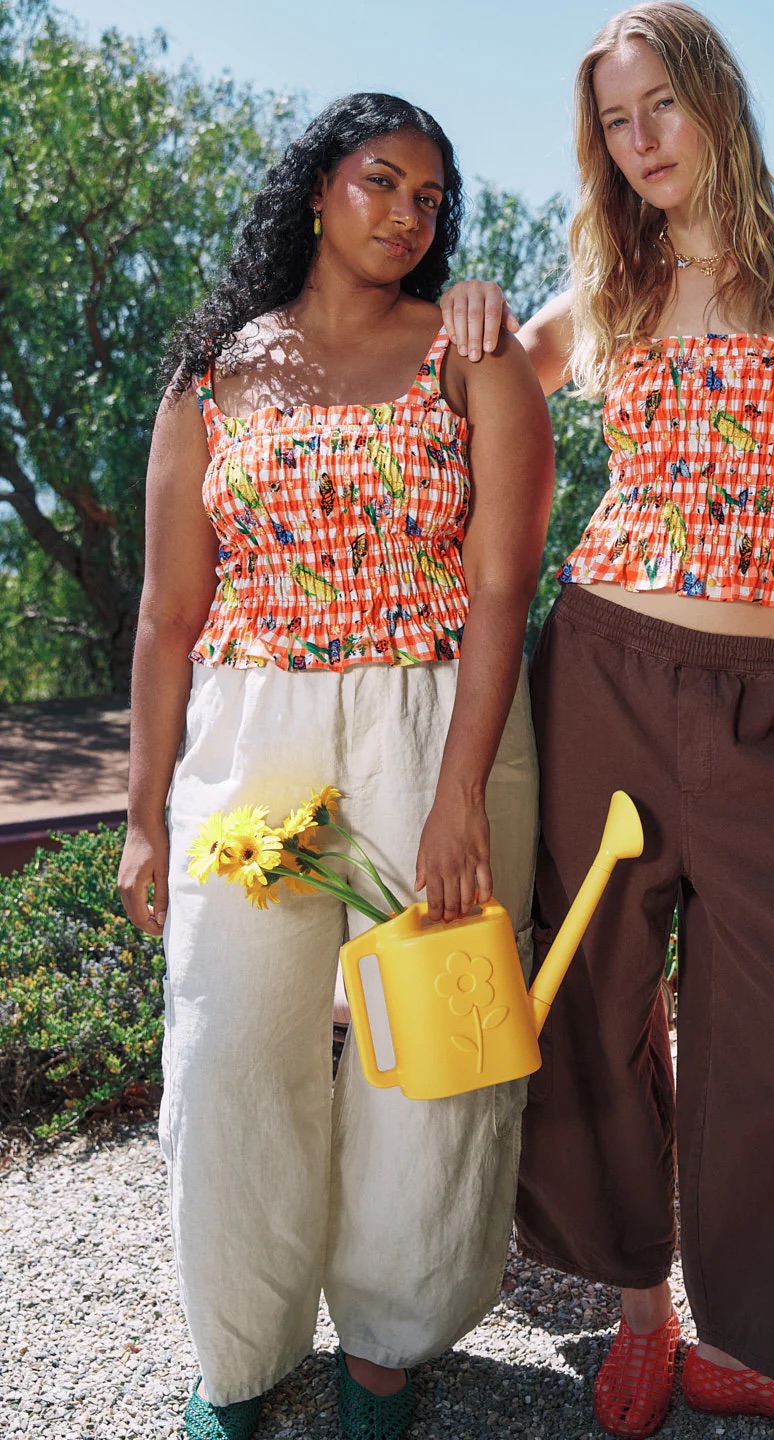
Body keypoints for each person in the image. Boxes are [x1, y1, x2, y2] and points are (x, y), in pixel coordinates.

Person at [441, 5, 774, 1437]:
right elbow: (499, 381)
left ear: (714, 101)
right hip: (599, 672)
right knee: (590, 1004)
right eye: (613, 120)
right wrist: (471, 310)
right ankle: (644, 1323)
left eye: (659, 105)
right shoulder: (613, 287)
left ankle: (765, 1352)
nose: (638, 140)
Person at [118, 92, 554, 1440]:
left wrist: (456, 799)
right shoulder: (211, 376)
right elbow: (165, 613)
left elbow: (500, 590)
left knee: (432, 1062)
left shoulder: (468, 353)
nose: (409, 215)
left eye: (431, 198)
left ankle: (391, 1345)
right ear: (317, 190)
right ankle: (240, 1354)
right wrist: (143, 818)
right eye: (382, 182)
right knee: (228, 1048)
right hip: (251, 733)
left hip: (439, 721)